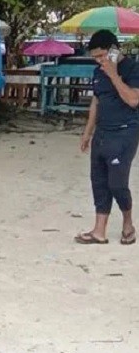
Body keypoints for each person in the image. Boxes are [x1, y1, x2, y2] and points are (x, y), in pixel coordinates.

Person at [75, 29, 139, 245]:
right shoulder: (98, 72)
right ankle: (99, 230)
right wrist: (87, 132)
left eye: (102, 56)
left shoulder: (132, 69)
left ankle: (128, 223)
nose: (99, 61)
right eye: (95, 57)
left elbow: (133, 100)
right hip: (102, 132)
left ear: (114, 50)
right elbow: (96, 101)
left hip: (125, 131)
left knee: (117, 183)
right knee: (99, 181)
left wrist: (113, 74)